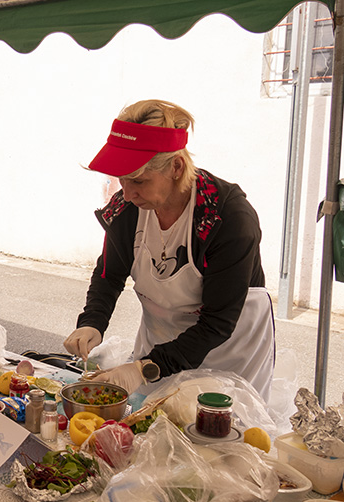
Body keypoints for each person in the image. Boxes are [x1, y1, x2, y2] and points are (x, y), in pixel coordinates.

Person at [63, 99, 274, 401]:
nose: (128, 192)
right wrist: (92, 323)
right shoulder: (128, 210)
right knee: (153, 422)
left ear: (176, 166)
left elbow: (217, 324)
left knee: (217, 434)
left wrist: (142, 369)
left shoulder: (226, 218)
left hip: (229, 348)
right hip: (163, 340)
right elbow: (109, 274)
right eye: (122, 179)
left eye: (138, 180)